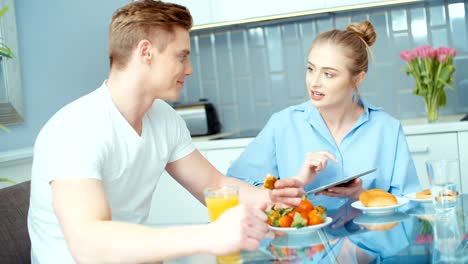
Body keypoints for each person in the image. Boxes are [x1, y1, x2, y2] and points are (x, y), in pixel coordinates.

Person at [27, 1, 307, 263]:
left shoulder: (163, 118)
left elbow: (215, 184)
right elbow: (87, 244)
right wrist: (209, 235)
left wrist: (273, 201)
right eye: (181, 57)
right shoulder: (76, 128)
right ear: (146, 52)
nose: (190, 69)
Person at [227, 21, 421, 211]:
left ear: (358, 79)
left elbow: (411, 205)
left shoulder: (388, 129)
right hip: (301, 243)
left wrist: (361, 195)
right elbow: (233, 188)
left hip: (370, 242)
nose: (314, 82)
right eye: (311, 69)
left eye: (328, 74)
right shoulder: (283, 124)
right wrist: (290, 186)